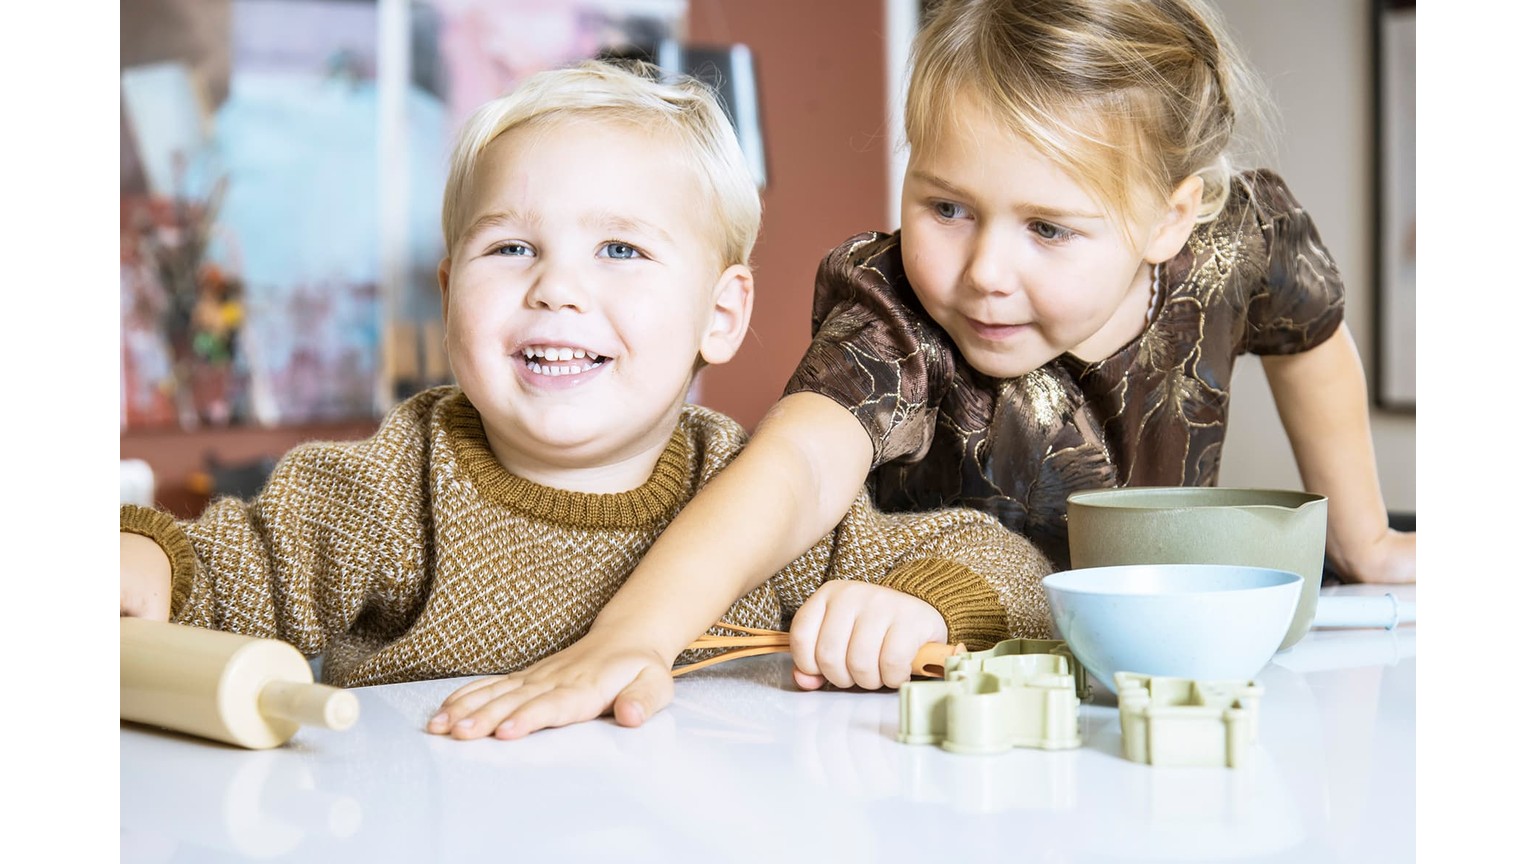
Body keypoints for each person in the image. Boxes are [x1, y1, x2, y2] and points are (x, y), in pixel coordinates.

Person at [467, 0, 1418, 736]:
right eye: (946, 207)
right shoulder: (895, 310)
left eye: (1049, 228)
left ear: (1171, 218)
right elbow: (795, 466)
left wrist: (1366, 541)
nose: (984, 273)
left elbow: (1312, 337)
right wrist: (635, 635)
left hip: (1144, 673)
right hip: (911, 676)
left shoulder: (1234, 239)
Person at [118, 59, 1056, 741]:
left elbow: (1008, 571)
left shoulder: (743, 491)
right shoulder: (391, 487)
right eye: (510, 248)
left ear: (720, 315)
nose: (556, 288)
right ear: (449, 295)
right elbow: (220, 574)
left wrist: (915, 611)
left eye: (620, 250)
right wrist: (139, 563)